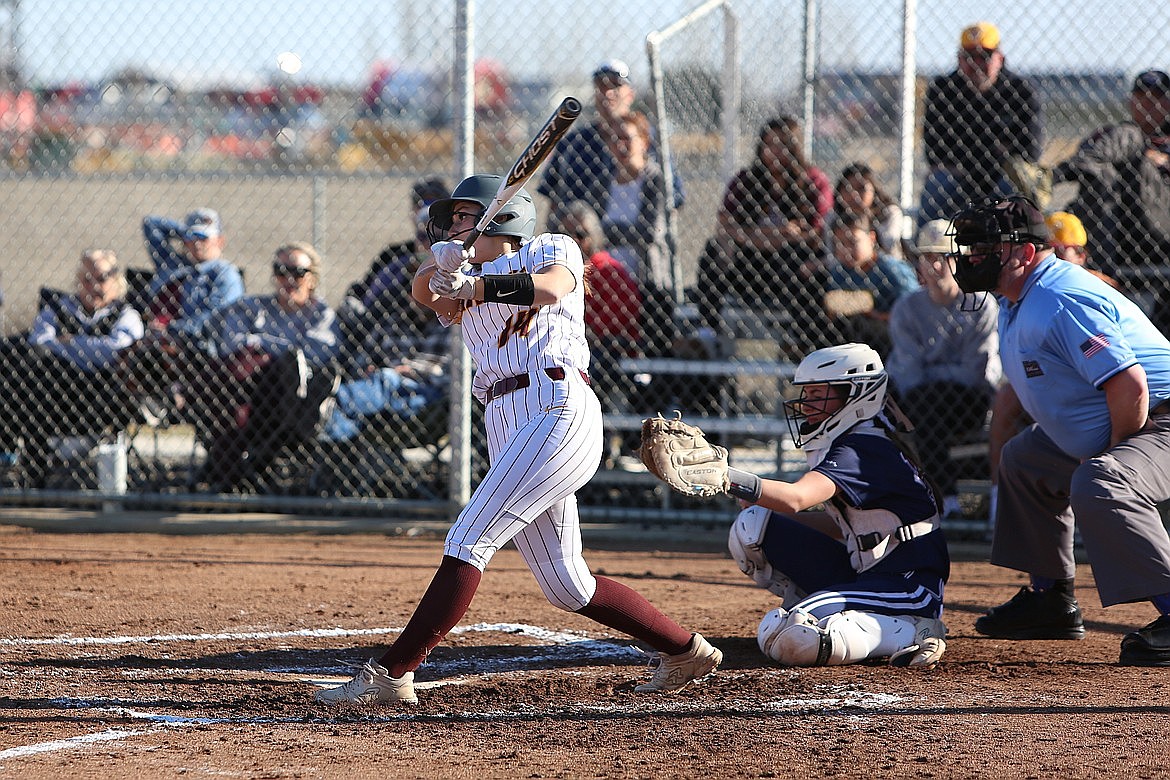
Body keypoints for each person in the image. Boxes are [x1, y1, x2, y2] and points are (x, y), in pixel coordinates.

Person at [314, 174, 721, 706]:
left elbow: (552, 286)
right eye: (453, 219)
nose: (456, 227)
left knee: (468, 541)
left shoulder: (552, 246)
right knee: (565, 584)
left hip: (557, 405)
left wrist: (474, 285)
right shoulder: (462, 268)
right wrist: (444, 268)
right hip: (505, 418)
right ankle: (686, 650)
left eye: (466, 217)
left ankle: (391, 674)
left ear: (503, 218)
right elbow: (422, 292)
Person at [948, 194, 1170, 665]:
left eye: (986, 248)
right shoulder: (1020, 295)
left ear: (1025, 254)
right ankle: (1051, 600)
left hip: (1160, 416)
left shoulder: (1058, 297)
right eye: (969, 247)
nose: (971, 258)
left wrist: (1111, 457)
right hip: (1132, 414)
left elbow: (1130, 386)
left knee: (1103, 481)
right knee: (1025, 459)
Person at [701, 343, 950, 667]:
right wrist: (759, 503)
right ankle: (824, 610)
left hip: (907, 586)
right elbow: (846, 528)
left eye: (819, 395)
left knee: (791, 639)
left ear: (856, 395)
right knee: (754, 525)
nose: (806, 406)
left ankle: (912, 629)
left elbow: (796, 498)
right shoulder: (858, 440)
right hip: (868, 573)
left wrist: (727, 477)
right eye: (808, 395)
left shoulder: (861, 448)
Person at [197, 242, 340, 492]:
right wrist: (276, 346)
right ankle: (234, 475)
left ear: (312, 279)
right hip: (242, 390)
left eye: (297, 272)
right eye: (281, 271)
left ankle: (227, 474)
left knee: (277, 364)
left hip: (290, 400)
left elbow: (317, 353)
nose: (288, 279)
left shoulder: (321, 315)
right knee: (231, 375)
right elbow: (230, 343)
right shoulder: (254, 307)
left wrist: (262, 342)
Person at [886, 220, 1002, 516]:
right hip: (921, 400)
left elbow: (974, 372)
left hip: (969, 400)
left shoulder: (981, 304)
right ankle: (946, 501)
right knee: (922, 404)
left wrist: (933, 371)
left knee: (929, 403)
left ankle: (942, 499)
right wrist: (940, 373)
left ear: (959, 261)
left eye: (944, 258)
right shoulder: (906, 308)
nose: (935, 267)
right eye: (928, 258)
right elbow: (908, 374)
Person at [0, 249, 144, 487]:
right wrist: (89, 350)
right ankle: (30, 473)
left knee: (37, 368)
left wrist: (69, 343)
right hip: (50, 396)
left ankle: (27, 469)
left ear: (116, 280)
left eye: (102, 278)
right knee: (29, 362)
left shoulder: (126, 315)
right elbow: (38, 343)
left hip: (99, 400)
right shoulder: (58, 308)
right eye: (87, 279)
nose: (94, 286)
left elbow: (117, 351)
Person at [692, 115, 833, 356]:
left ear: (795, 148)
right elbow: (724, 225)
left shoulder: (813, 181)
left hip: (790, 271)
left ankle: (801, 339)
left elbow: (815, 234)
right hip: (749, 268)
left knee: (799, 254)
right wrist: (777, 233)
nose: (774, 152)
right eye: (769, 145)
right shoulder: (746, 181)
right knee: (713, 249)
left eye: (782, 145)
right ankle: (707, 330)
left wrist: (748, 234)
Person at [1052, 70, 1170, 331]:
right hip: (1123, 229)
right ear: (1130, 102)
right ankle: (1101, 269)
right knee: (1102, 173)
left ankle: (1054, 177)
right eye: (1141, 97)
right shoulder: (1120, 137)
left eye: (1157, 98)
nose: (1148, 104)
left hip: (1163, 227)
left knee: (1128, 136)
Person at [919, 22, 1042, 224]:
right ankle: (928, 251)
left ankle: (1018, 249)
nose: (976, 64)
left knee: (1018, 184)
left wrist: (966, 148)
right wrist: (998, 147)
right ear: (959, 59)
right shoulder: (942, 90)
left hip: (1003, 176)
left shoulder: (1021, 91)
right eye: (969, 57)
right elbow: (934, 152)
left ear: (999, 58)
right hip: (958, 176)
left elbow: (1030, 151)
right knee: (938, 183)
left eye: (985, 56)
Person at [537, 59, 684, 228]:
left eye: (615, 86)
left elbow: (673, 200)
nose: (608, 93)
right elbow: (553, 201)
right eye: (601, 86)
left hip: (640, 242)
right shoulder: (573, 143)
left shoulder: (652, 140)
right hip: (579, 243)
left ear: (630, 94)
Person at [554, 200, 641, 412]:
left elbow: (620, 319)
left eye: (580, 235)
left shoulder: (608, 270)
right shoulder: (556, 273)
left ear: (594, 237)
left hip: (609, 349)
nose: (573, 240)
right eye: (566, 234)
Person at [824, 210, 920, 357]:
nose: (846, 250)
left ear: (871, 238)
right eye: (840, 243)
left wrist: (874, 315)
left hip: (894, 338)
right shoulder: (839, 272)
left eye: (853, 242)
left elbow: (915, 311)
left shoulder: (892, 270)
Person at [825, 162, 905, 259]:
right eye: (847, 189)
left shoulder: (889, 213)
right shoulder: (833, 217)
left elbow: (888, 244)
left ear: (874, 190)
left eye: (861, 189)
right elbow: (832, 258)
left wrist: (866, 219)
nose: (854, 195)